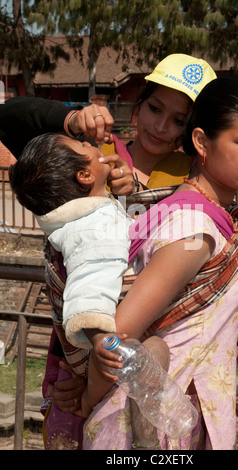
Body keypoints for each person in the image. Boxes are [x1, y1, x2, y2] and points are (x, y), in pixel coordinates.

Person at [1, 54, 218, 449]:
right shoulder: (94, 152)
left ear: (193, 130)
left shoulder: (193, 178)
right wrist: (70, 120)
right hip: (88, 349)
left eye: (178, 120)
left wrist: (133, 196)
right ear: (137, 105)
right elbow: (9, 117)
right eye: (154, 108)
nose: (160, 126)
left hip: (159, 356)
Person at [75, 75, 238, 450]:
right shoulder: (194, 229)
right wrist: (85, 401)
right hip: (152, 432)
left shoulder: (210, 216)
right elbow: (118, 337)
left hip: (174, 420)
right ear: (201, 142)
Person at [8, 132, 171, 439]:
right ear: (84, 175)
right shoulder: (95, 225)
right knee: (155, 353)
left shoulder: (90, 216)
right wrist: (99, 339)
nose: (94, 146)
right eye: (84, 146)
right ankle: (140, 440)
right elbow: (88, 288)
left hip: (96, 350)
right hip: (104, 348)